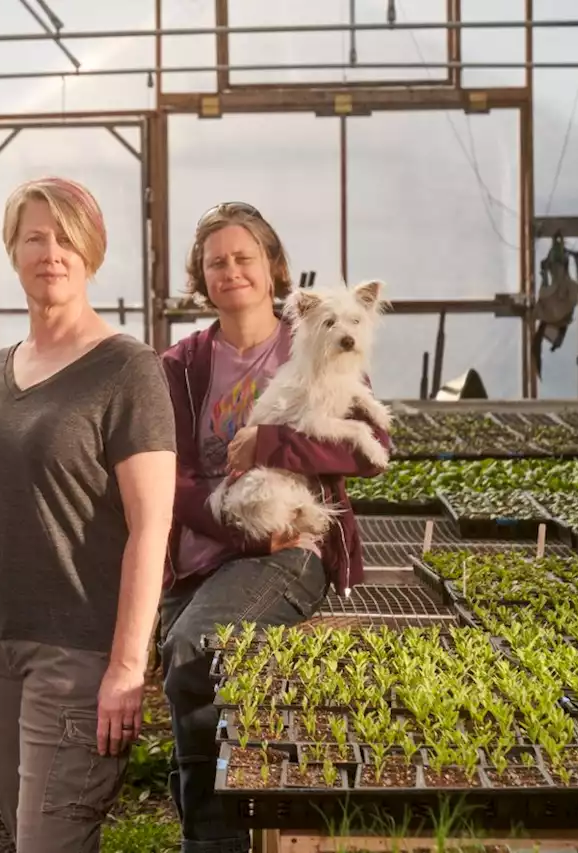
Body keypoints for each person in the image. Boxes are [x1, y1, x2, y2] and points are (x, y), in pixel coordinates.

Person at [0, 177, 177, 853]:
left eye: (66, 237)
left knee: (50, 840)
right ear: (12, 252)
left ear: (93, 253)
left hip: (77, 651)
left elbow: (151, 527)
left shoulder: (128, 369)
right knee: (28, 835)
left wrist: (128, 667)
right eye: (34, 236)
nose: (51, 252)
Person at [158, 204, 391, 853]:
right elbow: (170, 475)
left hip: (294, 542)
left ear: (272, 269)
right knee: (183, 658)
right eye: (216, 262)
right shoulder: (179, 363)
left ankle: (214, 841)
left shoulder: (317, 333)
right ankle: (216, 830)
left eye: (244, 258)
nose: (230, 270)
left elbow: (368, 444)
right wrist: (237, 532)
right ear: (201, 278)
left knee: (198, 647)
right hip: (215, 544)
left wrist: (271, 445)